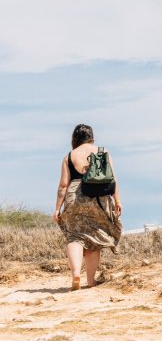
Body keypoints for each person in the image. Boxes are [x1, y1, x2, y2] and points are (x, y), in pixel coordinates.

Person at [53, 124, 123, 291]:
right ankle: (90, 281)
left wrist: (57, 208)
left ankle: (76, 273)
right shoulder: (103, 151)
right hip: (99, 197)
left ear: (74, 138)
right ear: (92, 137)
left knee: (75, 237)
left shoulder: (69, 157)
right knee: (93, 241)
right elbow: (113, 179)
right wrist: (117, 200)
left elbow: (63, 186)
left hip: (74, 197)